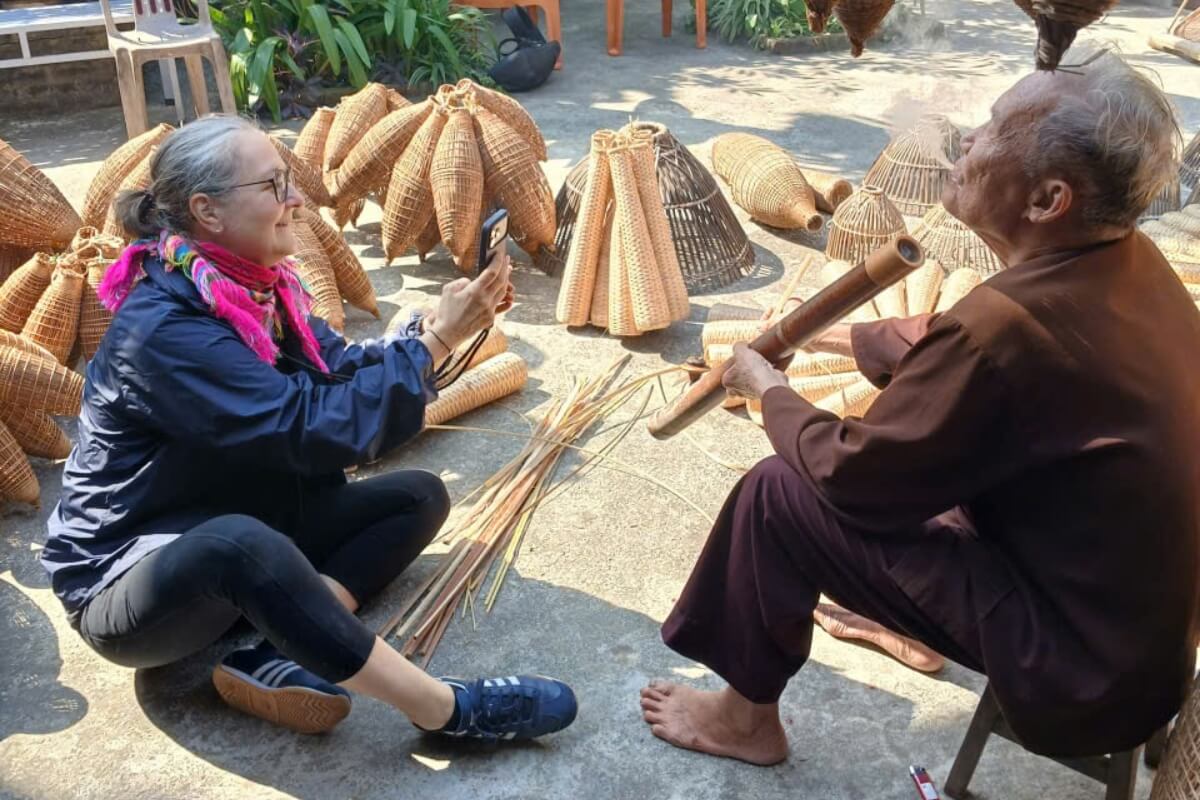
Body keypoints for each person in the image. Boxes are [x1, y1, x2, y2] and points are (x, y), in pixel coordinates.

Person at [641, 49, 1200, 766]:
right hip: (1142, 651)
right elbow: (957, 348)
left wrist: (768, 389)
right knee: (917, 465)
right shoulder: (1130, 262)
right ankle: (887, 614)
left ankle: (744, 723)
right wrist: (825, 333)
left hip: (1073, 675)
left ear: (1045, 200)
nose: (968, 139)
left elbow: (852, 477)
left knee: (778, 494)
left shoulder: (1000, 328)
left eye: (994, 129)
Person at [41, 115, 577, 742]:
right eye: (273, 185)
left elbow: (337, 369)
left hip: (235, 521)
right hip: (137, 582)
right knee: (239, 545)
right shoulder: (163, 329)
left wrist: (439, 331)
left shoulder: (255, 291)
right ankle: (446, 711)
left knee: (417, 496)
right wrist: (434, 344)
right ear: (207, 210)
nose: (296, 198)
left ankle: (280, 647)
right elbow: (305, 428)